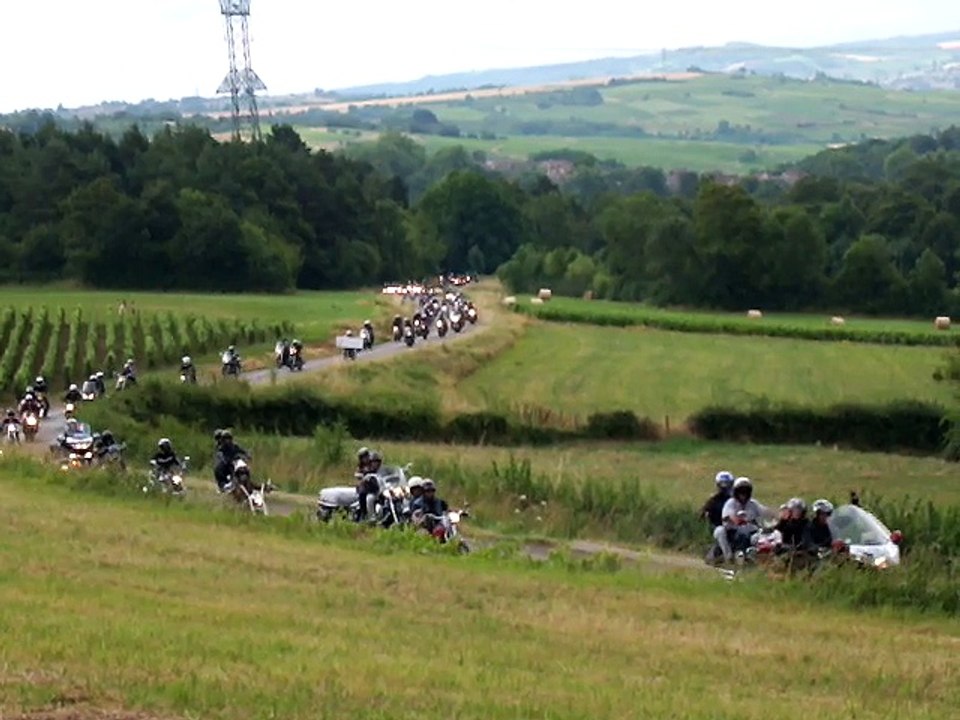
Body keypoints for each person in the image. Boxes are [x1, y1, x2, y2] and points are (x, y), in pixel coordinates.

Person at [713, 477, 770, 564]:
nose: (743, 494)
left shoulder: (753, 504)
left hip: (750, 533)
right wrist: (736, 520)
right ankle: (728, 556)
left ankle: (754, 556)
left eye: (746, 491)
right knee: (719, 531)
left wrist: (777, 516)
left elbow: (765, 512)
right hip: (733, 532)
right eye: (741, 491)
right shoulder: (731, 503)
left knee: (760, 537)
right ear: (736, 492)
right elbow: (728, 515)